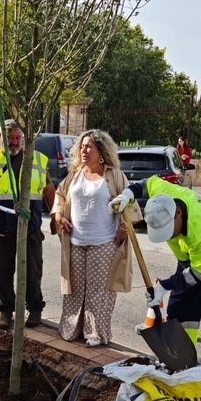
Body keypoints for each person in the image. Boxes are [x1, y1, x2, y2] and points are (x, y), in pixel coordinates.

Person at [109, 176, 201, 362]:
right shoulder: (164, 197)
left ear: (179, 213)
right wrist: (128, 194)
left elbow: (198, 276)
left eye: (169, 229)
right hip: (193, 257)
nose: (170, 235)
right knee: (181, 303)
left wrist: (164, 285)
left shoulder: (200, 232)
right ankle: (182, 355)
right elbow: (147, 183)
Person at [51, 129, 142, 347]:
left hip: (104, 243)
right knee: (74, 289)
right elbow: (59, 195)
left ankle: (96, 334)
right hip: (76, 241)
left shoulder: (114, 175)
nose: (84, 150)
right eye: (82, 146)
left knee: (99, 292)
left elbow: (130, 203)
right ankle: (72, 329)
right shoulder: (75, 174)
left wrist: (123, 227)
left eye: (89, 146)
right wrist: (58, 215)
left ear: (101, 150)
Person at [0, 119, 55, 330]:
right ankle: (6, 310)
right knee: (3, 273)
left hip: (30, 228)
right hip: (0, 227)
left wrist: (55, 215)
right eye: (10, 138)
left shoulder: (37, 159)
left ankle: (34, 309)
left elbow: (48, 189)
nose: (14, 142)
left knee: (33, 271)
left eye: (18, 138)